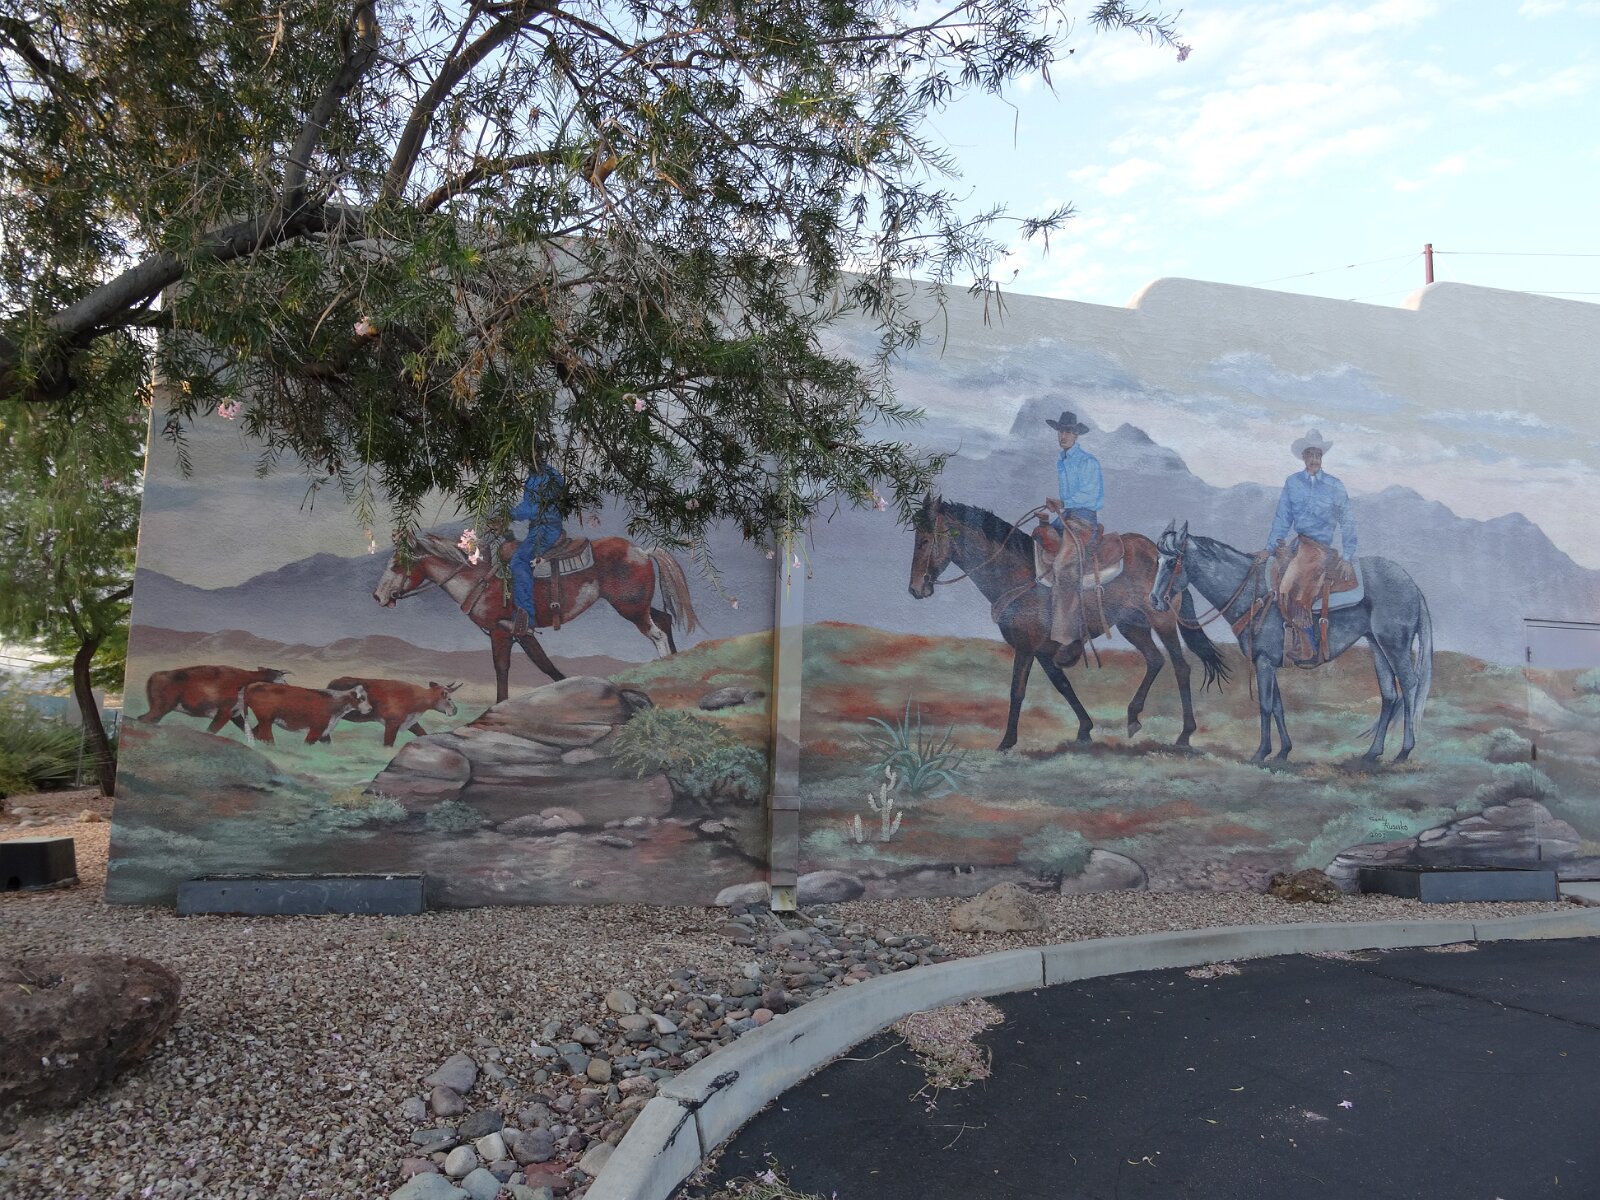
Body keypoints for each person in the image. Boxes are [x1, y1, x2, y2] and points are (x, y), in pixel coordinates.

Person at [1266, 429, 1358, 663]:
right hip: (1300, 544)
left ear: (1321, 457)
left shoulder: (1334, 485)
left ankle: (1308, 646)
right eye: (1310, 455)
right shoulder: (1292, 483)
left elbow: (1347, 521)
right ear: (1304, 457)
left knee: (1291, 589)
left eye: (1318, 455)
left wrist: (1347, 556)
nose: (1314, 459)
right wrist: (1272, 546)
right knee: (1275, 579)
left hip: (1320, 549)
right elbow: (1283, 517)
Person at [510, 464, 568, 635]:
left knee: (519, 562)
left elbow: (531, 508)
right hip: (543, 526)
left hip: (544, 528)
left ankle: (526, 618)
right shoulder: (548, 473)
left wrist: (506, 515)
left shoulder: (539, 477)